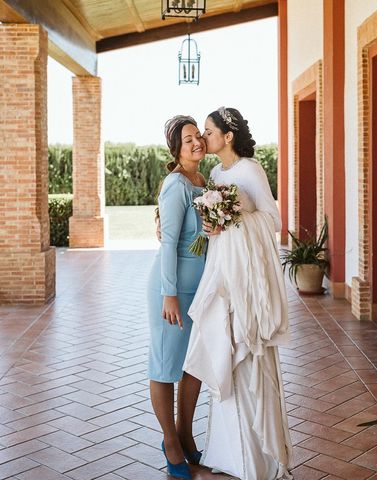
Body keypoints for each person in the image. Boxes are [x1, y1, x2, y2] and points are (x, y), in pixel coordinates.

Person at [183, 107, 293, 480]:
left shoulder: (250, 169)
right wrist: (214, 223)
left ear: (228, 136)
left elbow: (273, 220)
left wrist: (235, 215)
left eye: (209, 132)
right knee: (222, 346)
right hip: (221, 270)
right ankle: (227, 453)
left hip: (246, 276)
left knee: (245, 350)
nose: (204, 138)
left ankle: (257, 458)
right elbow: (215, 223)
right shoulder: (215, 173)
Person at [147, 115, 207, 480]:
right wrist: (169, 294)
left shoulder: (206, 182)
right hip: (173, 291)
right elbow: (168, 242)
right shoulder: (176, 185)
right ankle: (170, 440)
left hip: (202, 290)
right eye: (188, 139)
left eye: (198, 135)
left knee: (194, 365)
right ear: (176, 149)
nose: (197, 142)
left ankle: (186, 432)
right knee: (166, 365)